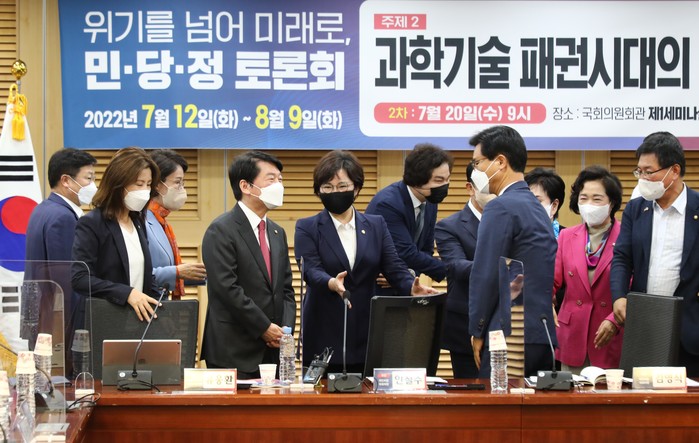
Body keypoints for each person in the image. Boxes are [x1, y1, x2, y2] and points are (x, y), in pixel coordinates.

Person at [295, 151, 437, 374]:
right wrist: (331, 282)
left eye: (342, 186)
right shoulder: (307, 227)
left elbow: (393, 266)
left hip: (367, 328)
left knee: (369, 389)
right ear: (319, 190)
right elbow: (310, 270)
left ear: (356, 188)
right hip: (323, 329)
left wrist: (410, 287)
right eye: (327, 187)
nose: (335, 192)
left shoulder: (376, 225)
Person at [467, 125, 558, 378]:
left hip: (508, 336)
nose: (475, 171)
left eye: (477, 163)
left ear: (500, 162)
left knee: (499, 403)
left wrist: (477, 329)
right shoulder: (537, 207)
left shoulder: (500, 207)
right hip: (541, 334)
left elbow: (485, 274)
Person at [201, 151, 296, 379]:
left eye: (280, 179)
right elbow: (227, 288)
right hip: (233, 350)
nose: (279, 185)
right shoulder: (221, 230)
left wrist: (284, 333)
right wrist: (264, 328)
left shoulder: (277, 232)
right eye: (271, 179)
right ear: (246, 186)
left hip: (273, 351)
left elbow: (286, 289)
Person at [611, 131, 699, 376]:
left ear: (674, 171)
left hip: (690, 328)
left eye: (649, 172)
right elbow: (622, 258)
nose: (643, 179)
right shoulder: (636, 209)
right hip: (646, 325)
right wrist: (619, 297)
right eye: (639, 171)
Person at [72, 147, 162, 322]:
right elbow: (80, 279)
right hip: (105, 321)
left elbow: (144, 274)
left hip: (137, 323)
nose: (145, 190)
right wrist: (127, 293)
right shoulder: (92, 223)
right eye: (139, 184)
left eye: (148, 184)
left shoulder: (138, 221)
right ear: (118, 184)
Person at [25, 148, 96, 360]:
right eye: (88, 178)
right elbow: (67, 281)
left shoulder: (42, 209)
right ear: (66, 180)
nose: (93, 185)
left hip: (43, 317)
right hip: (59, 323)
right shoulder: (63, 218)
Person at [554, 166, 624, 373]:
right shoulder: (566, 236)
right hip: (572, 335)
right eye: (583, 198)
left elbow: (634, 286)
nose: (589, 204)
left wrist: (614, 321)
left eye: (597, 199)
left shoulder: (626, 237)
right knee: (571, 393)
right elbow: (551, 280)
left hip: (610, 334)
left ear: (612, 203)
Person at [365, 143, 452, 293]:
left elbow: (425, 250)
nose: (445, 185)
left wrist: (408, 274)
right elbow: (405, 251)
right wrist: (451, 271)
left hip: (404, 286)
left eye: (448, 179)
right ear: (417, 180)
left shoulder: (430, 200)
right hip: (378, 288)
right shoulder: (387, 204)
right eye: (439, 180)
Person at [435, 162, 494, 378]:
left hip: (508, 325)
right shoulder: (449, 226)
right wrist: (501, 269)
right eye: (487, 187)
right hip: (466, 325)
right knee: (471, 390)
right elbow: (457, 266)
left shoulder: (512, 222)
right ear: (470, 188)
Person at [146, 149, 206, 299]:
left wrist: (205, 273)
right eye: (177, 183)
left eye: (183, 183)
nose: (182, 189)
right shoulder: (140, 220)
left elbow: (170, 270)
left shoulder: (162, 221)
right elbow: (136, 275)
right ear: (157, 184)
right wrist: (177, 272)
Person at [525, 167, 566, 239]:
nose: (529, 206)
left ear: (554, 206)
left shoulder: (569, 238)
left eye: (537, 201)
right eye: (526, 201)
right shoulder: (515, 237)